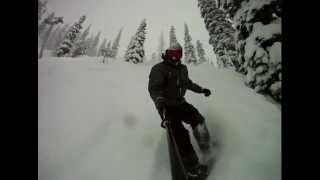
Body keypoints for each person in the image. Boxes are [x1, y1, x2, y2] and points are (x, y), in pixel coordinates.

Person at [148, 42, 212, 177]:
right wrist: (159, 101)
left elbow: (187, 83)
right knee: (179, 133)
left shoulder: (182, 68)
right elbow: (154, 88)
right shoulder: (159, 68)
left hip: (180, 103)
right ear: (167, 54)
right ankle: (191, 166)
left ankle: (206, 147)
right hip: (167, 106)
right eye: (172, 54)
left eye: (178, 54)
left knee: (198, 119)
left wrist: (201, 90)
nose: (175, 57)